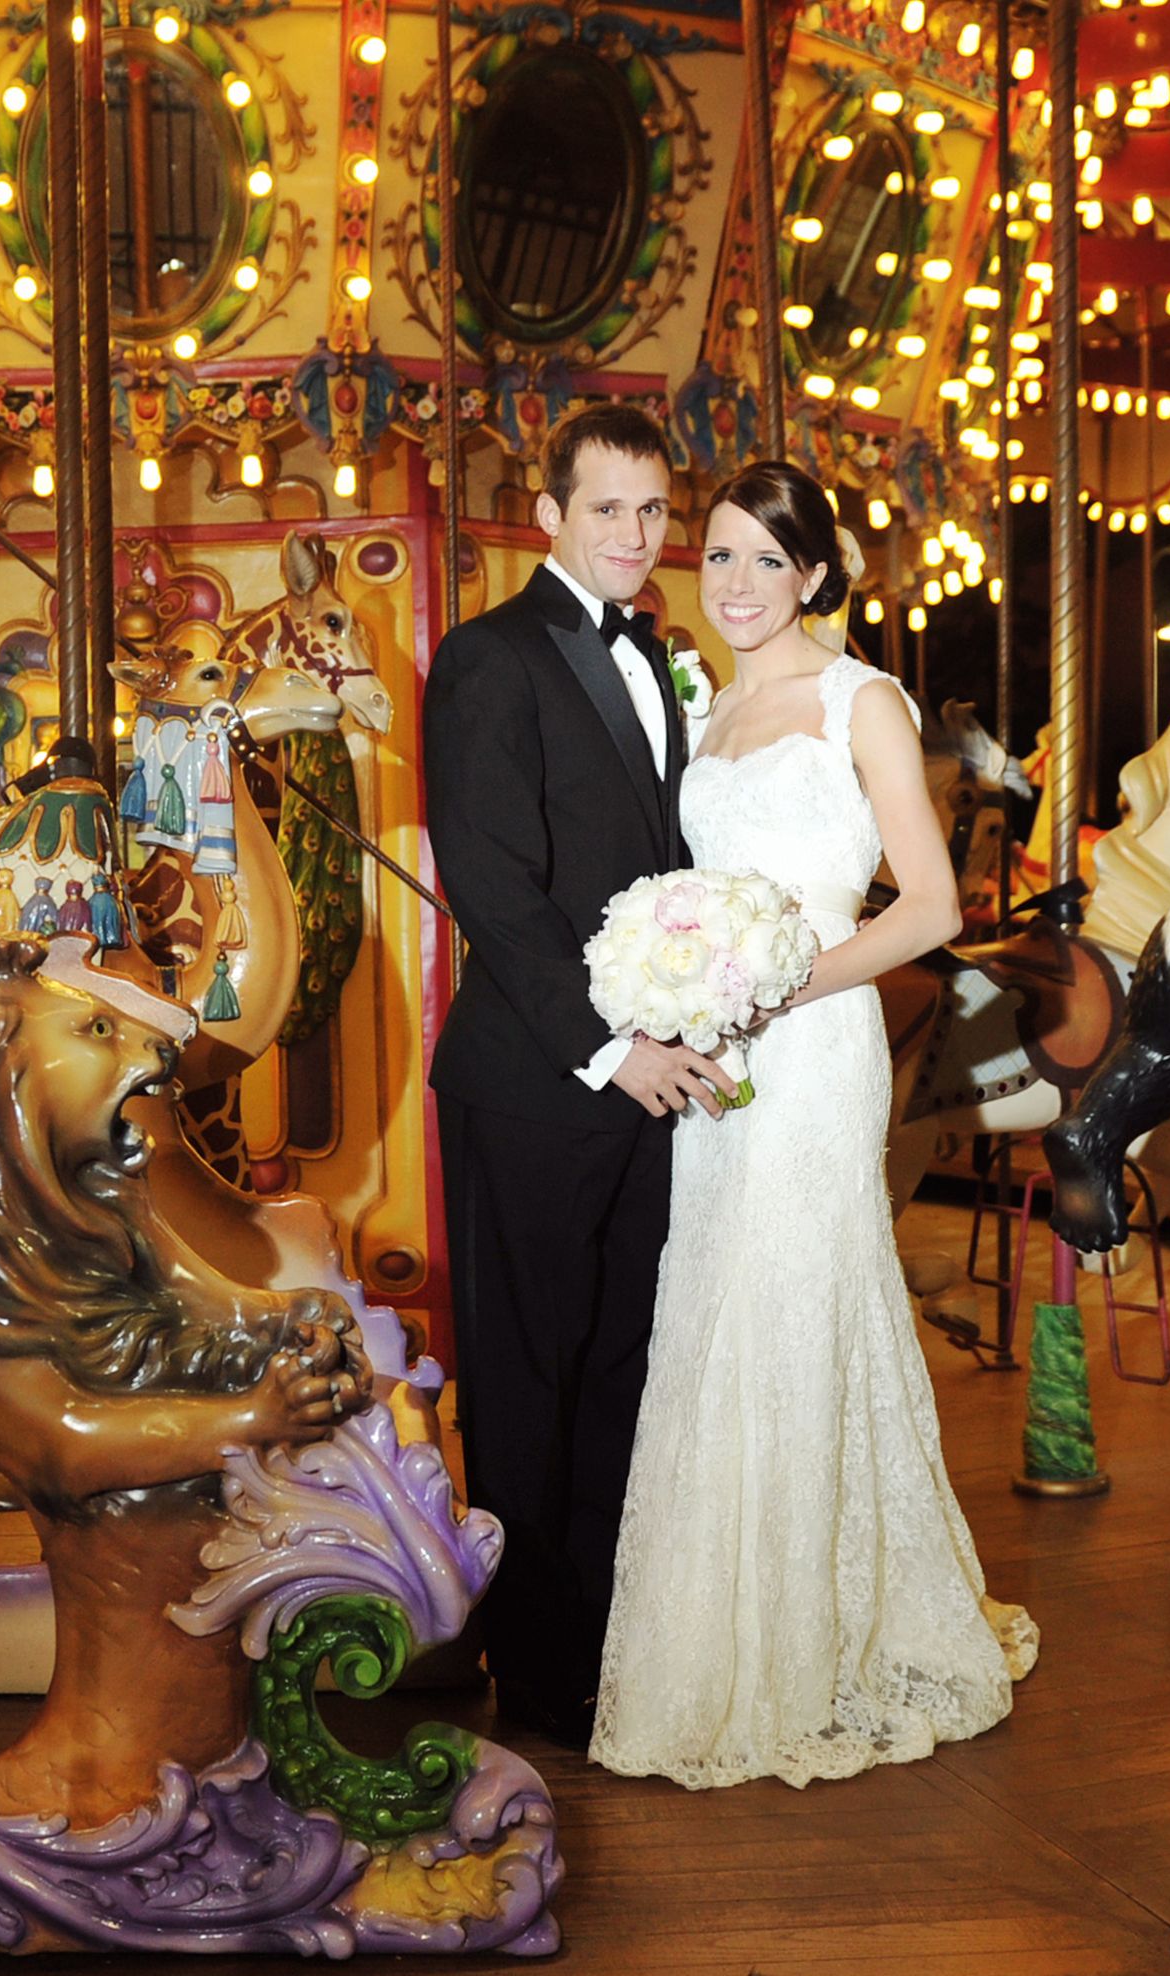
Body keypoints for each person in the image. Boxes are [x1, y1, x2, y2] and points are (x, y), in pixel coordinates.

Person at [589, 459, 1037, 1790]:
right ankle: (725, 1626)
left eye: (762, 562)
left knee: (793, 1299)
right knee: (719, 1304)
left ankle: (815, 1642)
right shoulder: (709, 715)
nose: (731, 583)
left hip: (813, 1041)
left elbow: (929, 909)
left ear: (818, 579)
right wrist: (680, 989)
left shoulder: (864, 701)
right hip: (722, 1054)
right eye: (716, 556)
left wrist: (765, 986)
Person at [424, 404, 734, 1748]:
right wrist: (613, 1050)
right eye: (606, 509)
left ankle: (611, 1647)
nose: (633, 535)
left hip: (653, 1080)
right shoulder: (489, 658)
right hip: (540, 1080)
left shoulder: (664, 662)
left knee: (622, 1366)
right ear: (545, 515)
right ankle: (533, 1673)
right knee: (527, 1374)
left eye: (653, 512)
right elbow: (494, 884)